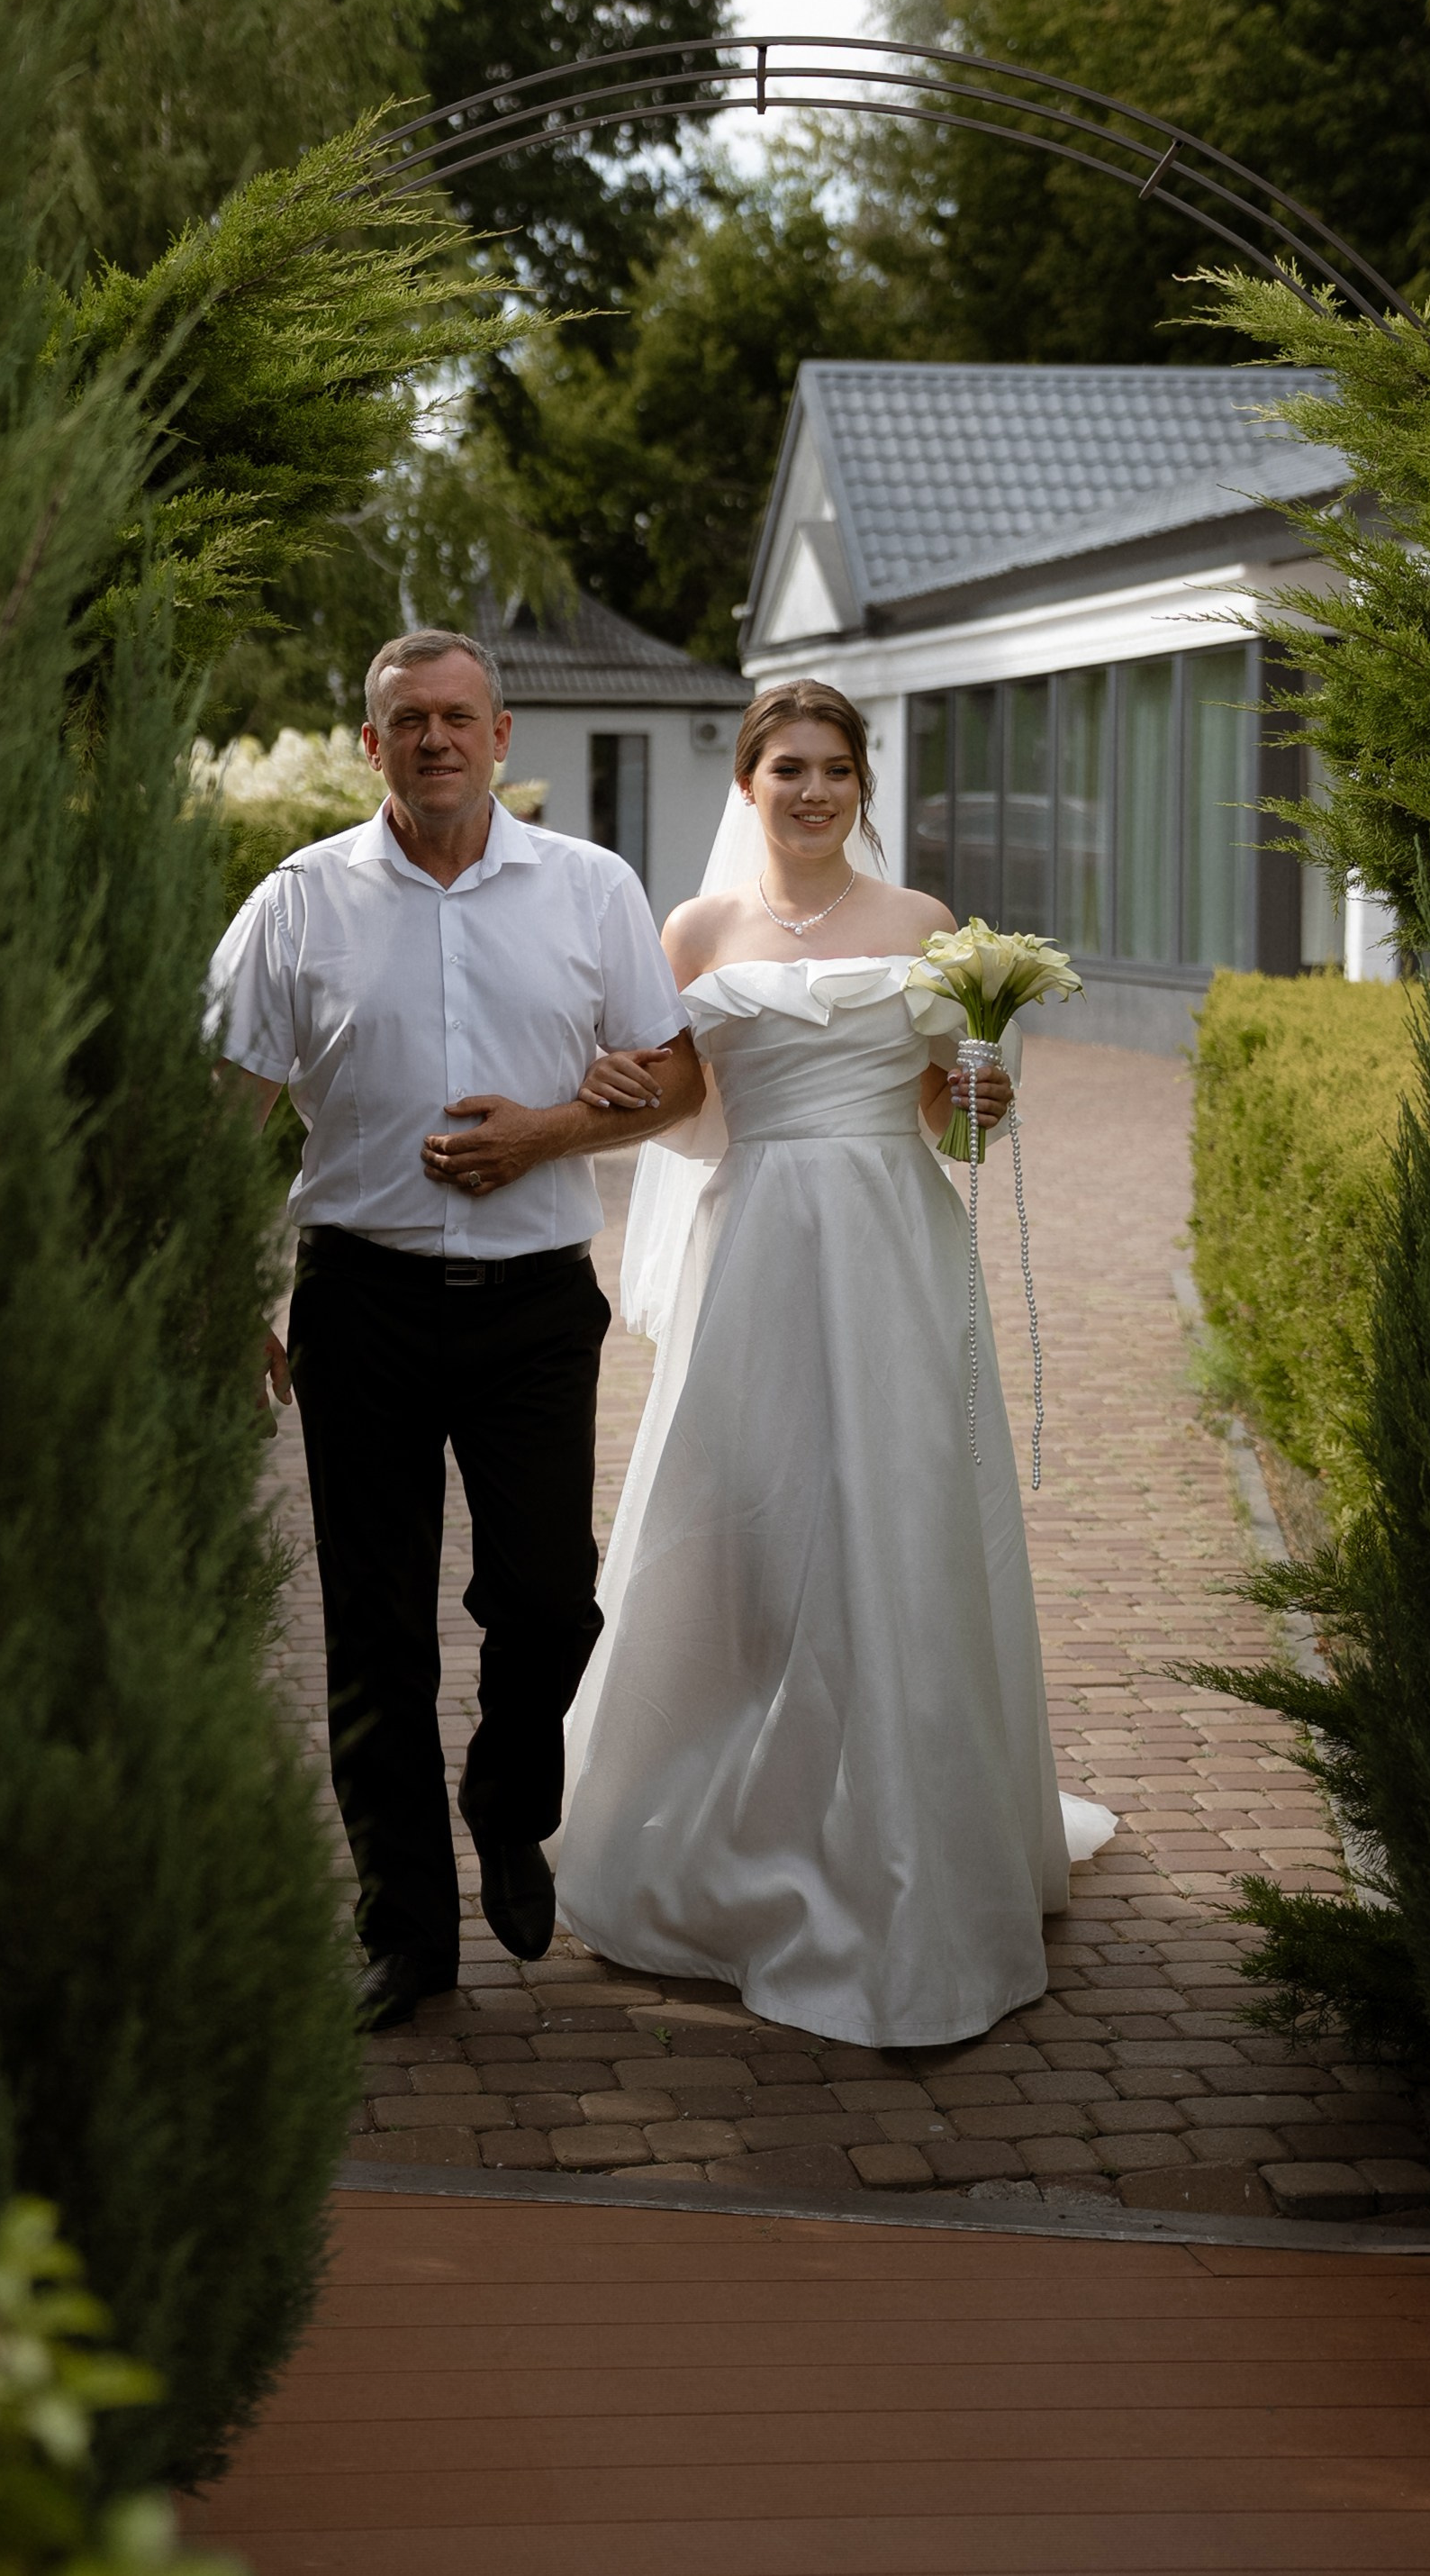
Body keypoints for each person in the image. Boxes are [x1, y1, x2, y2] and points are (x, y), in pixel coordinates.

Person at [556, 678, 1117, 2050]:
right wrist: (614, 1088)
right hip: (755, 1258)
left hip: (890, 1251)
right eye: (785, 767)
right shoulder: (693, 927)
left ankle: (915, 1844)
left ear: (862, 784)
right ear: (745, 782)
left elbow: (951, 1120)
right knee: (745, 1532)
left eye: (833, 769)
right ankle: (742, 1832)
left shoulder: (925, 928)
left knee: (896, 1528)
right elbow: (685, 1099)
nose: (810, 790)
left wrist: (988, 1088)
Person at [209, 630, 702, 2033]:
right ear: (369, 745)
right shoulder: (298, 901)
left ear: (501, 735)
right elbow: (221, 1110)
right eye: (405, 720)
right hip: (359, 1299)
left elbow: (674, 1078)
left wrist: (551, 1128)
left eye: (457, 717)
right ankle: (407, 1933)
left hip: (537, 1305)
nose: (433, 739)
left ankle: (507, 1802)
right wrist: (219, 1281)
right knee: (373, 1632)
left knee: (548, 1599)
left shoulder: (589, 887)